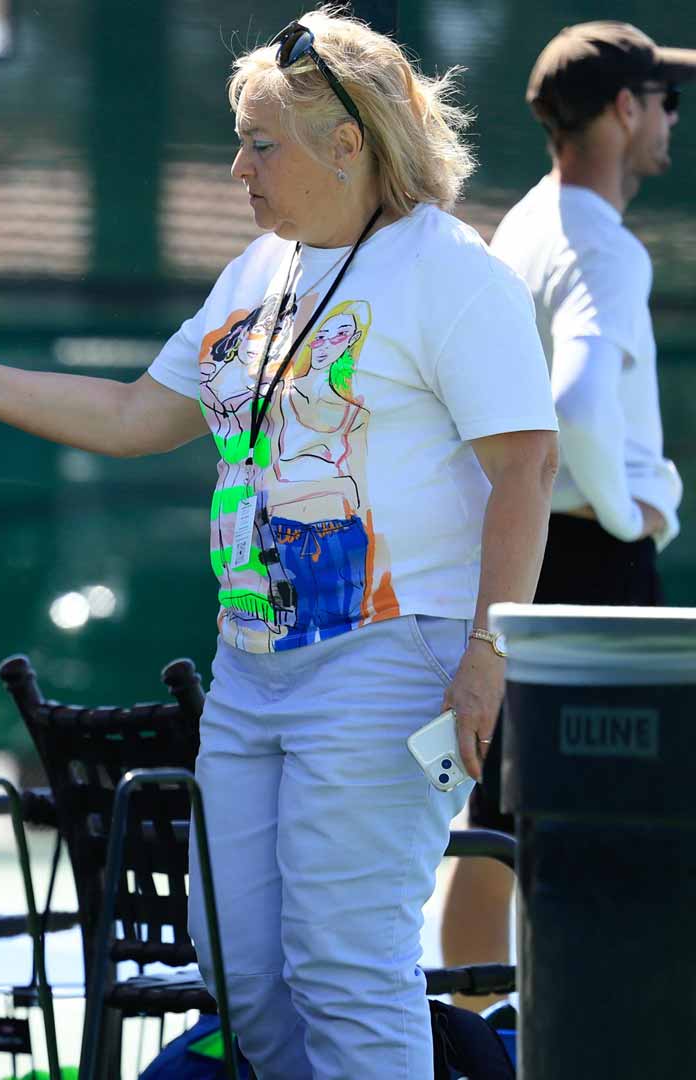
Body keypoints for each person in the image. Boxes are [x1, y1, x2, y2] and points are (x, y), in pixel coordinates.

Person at [0, 11, 557, 1077]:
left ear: (351, 142)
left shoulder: (450, 271)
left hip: (392, 659)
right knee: (240, 968)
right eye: (239, 140)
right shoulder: (257, 268)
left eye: (260, 142)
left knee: (344, 961)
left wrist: (488, 653)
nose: (237, 166)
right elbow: (133, 417)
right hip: (253, 667)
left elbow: (528, 466)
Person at [440, 20, 689, 1011]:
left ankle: (468, 1035)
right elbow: (578, 405)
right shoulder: (603, 248)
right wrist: (627, 511)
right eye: (665, 98)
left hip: (531, 546)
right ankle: (593, 1033)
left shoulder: (528, 225)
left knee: (500, 814)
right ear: (625, 110)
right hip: (591, 564)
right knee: (611, 822)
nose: (673, 116)